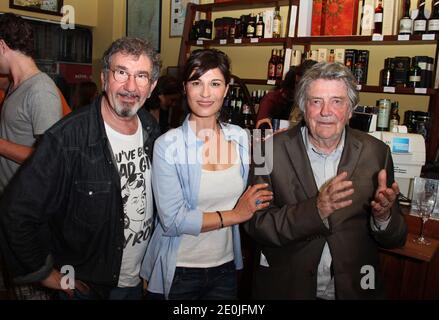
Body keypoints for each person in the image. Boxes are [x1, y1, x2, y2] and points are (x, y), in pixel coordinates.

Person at [0, 37, 161, 300]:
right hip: (89, 288)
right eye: (121, 73)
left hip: (136, 281)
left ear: (152, 86)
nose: (130, 86)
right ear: (105, 78)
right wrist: (43, 273)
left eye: (141, 76)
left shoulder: (153, 131)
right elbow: (15, 212)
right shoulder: (66, 139)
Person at [244, 62, 407, 299]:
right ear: (303, 106)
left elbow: (397, 237)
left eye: (337, 101)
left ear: (351, 109)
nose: (326, 111)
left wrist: (383, 218)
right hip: (287, 287)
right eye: (316, 101)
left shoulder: (377, 153)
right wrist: (316, 210)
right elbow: (255, 224)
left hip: (355, 288)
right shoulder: (266, 151)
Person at [141, 49, 272, 300]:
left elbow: (263, 182)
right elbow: (173, 221)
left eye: (214, 83)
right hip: (179, 271)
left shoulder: (241, 138)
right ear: (185, 88)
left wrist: (277, 146)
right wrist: (235, 215)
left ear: (226, 89)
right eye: (196, 83)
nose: (204, 93)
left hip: (226, 268)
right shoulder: (168, 145)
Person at [0, 13, 62, 195]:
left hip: (22, 203)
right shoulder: (14, 84)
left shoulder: (41, 90)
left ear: (2, 46)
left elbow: (48, 159)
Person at [256, 59, 318, 130]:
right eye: (297, 83)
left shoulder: (322, 108)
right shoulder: (296, 104)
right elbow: (259, 134)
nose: (299, 89)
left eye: (304, 85)